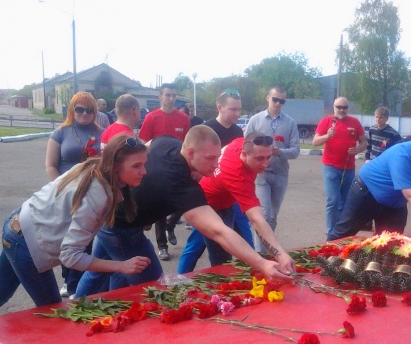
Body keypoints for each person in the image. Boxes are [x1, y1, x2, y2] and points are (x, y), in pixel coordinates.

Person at [75, 126, 294, 298]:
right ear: (190, 152)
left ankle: (72, 309)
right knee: (152, 288)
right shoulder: (181, 185)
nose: (216, 164)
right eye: (210, 158)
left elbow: (149, 144)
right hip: (122, 228)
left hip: (110, 218)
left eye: (218, 156)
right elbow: (219, 231)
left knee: (97, 273)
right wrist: (263, 263)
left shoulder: (168, 142)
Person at [0, 134, 149, 307]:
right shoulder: (99, 193)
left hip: (17, 225)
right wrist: (121, 266)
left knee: (2, 291)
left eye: (144, 164)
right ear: (115, 166)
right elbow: (71, 256)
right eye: (137, 166)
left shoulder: (97, 166)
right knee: (53, 311)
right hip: (24, 240)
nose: (144, 171)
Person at [327, 131, 411, 241]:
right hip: (365, 193)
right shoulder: (403, 155)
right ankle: (322, 261)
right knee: (342, 235)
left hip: (395, 203)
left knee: (392, 244)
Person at [196, 132, 296, 269]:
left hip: (226, 198)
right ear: (244, 154)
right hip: (209, 206)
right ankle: (179, 280)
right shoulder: (238, 177)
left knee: (198, 244)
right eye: (260, 158)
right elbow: (257, 220)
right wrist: (280, 254)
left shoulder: (242, 142)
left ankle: (181, 274)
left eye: (269, 157)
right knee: (222, 259)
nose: (265, 164)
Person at [178, 89, 251, 273]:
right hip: (206, 195)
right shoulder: (205, 130)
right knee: (197, 243)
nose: (237, 114)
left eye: (239, 109)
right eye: (233, 109)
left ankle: (248, 269)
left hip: (229, 194)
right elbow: (190, 159)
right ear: (220, 107)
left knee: (240, 234)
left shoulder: (237, 131)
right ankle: (180, 277)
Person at [45, 92, 104, 297]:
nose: (84, 113)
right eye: (80, 109)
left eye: (90, 110)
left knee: (85, 237)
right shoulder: (61, 132)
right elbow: (51, 165)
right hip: (66, 193)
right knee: (65, 236)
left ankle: (76, 282)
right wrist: (61, 189)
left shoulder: (100, 133)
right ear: (72, 109)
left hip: (91, 193)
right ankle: (68, 279)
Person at [244, 87, 300, 252]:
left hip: (281, 173)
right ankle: (260, 254)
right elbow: (245, 144)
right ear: (268, 98)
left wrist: (279, 152)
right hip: (261, 174)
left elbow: (295, 151)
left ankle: (266, 248)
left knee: (273, 217)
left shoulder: (290, 123)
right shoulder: (256, 120)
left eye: (282, 101)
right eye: (275, 99)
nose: (278, 103)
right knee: (265, 215)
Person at [139, 83, 190, 261]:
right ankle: (162, 246)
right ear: (160, 97)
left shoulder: (183, 118)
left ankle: (171, 223)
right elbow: (143, 142)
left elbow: (187, 144)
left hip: (177, 166)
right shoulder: (151, 118)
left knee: (184, 201)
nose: (171, 99)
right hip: (157, 167)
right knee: (159, 206)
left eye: (174, 95)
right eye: (168, 95)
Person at [312, 97, 367, 237]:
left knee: (346, 202)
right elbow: (315, 142)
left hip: (348, 168)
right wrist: (327, 136)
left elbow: (364, 142)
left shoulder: (354, 122)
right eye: (339, 107)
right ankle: (331, 233)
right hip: (330, 166)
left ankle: (341, 233)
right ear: (334, 107)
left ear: (348, 108)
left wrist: (358, 149)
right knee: (333, 200)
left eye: (344, 107)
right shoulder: (326, 121)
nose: (342, 110)